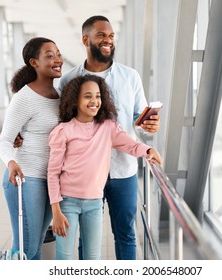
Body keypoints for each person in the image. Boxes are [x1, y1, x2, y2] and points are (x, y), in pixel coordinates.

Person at [57, 15, 160, 260]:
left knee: (125, 233)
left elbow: (140, 121)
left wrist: (150, 127)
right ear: (86, 39)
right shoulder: (68, 80)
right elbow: (59, 124)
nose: (108, 40)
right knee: (86, 238)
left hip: (122, 170)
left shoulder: (130, 77)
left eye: (111, 36)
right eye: (101, 35)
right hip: (84, 173)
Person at [47, 74, 162, 260]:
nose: (94, 101)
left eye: (98, 96)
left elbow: (130, 145)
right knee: (65, 256)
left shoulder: (108, 127)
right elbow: (52, 173)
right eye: (87, 96)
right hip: (67, 202)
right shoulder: (63, 131)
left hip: (94, 202)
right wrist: (56, 211)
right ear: (74, 100)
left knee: (93, 257)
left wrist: (149, 150)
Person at [0, 37, 63, 260]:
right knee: (27, 249)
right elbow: (5, 140)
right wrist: (11, 162)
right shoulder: (24, 98)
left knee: (36, 247)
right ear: (34, 62)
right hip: (26, 178)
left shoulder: (61, 96)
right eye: (50, 56)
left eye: (58, 54)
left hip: (51, 179)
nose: (57, 60)